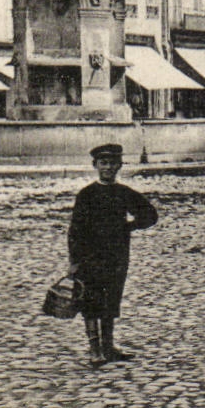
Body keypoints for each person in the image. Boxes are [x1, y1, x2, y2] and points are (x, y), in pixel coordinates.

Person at [68, 144, 158, 367]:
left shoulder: (123, 193)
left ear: (119, 165)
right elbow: (75, 230)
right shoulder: (86, 195)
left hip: (116, 256)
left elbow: (150, 214)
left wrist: (129, 227)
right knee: (90, 300)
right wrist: (74, 261)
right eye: (103, 163)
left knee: (110, 299)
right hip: (91, 257)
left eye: (112, 163)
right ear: (95, 165)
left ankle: (109, 346)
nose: (107, 167)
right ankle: (95, 348)